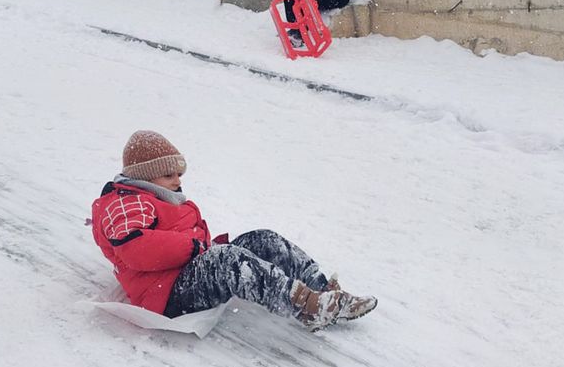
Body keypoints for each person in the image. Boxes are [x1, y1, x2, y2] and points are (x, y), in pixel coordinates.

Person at [91, 130, 377, 332]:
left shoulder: (161, 196)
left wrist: (203, 248)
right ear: (144, 176)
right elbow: (134, 248)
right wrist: (196, 248)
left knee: (262, 240)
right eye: (169, 175)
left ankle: (324, 290)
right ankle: (310, 306)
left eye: (179, 174)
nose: (178, 181)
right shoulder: (126, 203)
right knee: (229, 261)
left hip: (187, 271)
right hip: (164, 294)